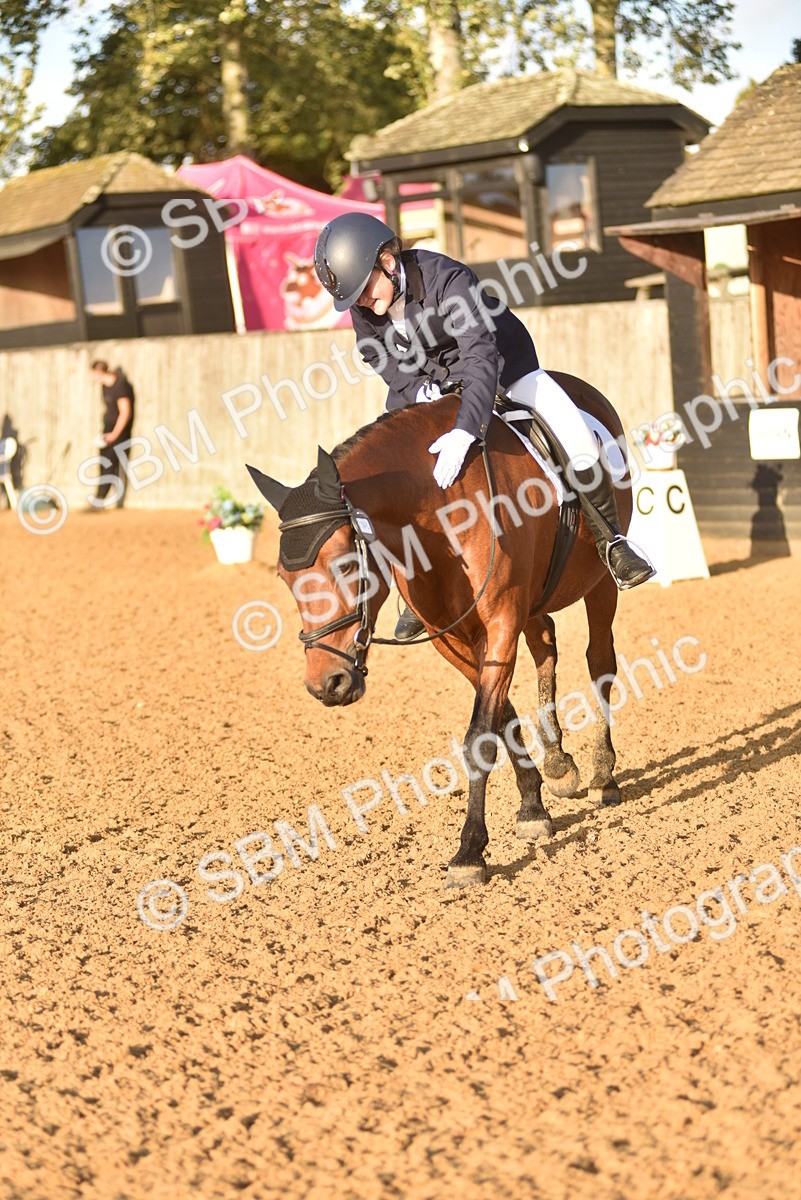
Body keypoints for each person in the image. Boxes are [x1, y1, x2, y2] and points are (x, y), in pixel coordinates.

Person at [313, 213, 654, 640]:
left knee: (577, 436)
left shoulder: (448, 280)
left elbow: (480, 358)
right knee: (403, 467)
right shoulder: (366, 306)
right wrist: (419, 392)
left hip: (506, 368)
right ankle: (418, 586)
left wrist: (464, 430)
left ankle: (612, 543)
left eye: (363, 289)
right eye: (353, 298)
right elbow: (378, 357)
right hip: (429, 386)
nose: (361, 303)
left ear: (387, 259)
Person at [88, 360, 135, 510]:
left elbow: (125, 412)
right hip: (108, 429)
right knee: (105, 464)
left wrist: (114, 435)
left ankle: (109, 501)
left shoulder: (120, 385)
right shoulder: (104, 387)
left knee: (116, 466)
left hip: (119, 432)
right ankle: (100, 499)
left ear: (100, 371)